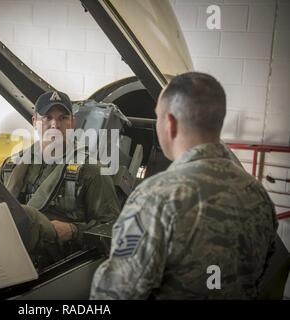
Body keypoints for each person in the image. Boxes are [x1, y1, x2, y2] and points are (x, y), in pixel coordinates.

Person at [90, 72, 278, 299]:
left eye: (157, 117)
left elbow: (115, 292)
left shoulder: (156, 197)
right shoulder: (258, 195)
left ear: (169, 123)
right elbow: (263, 270)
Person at [0, 90, 120, 265]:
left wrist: (74, 230)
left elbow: (112, 227)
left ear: (72, 123)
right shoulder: (12, 165)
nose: (55, 124)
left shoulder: (91, 170)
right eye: (47, 117)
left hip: (59, 264)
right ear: (35, 122)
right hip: (7, 252)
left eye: (63, 118)